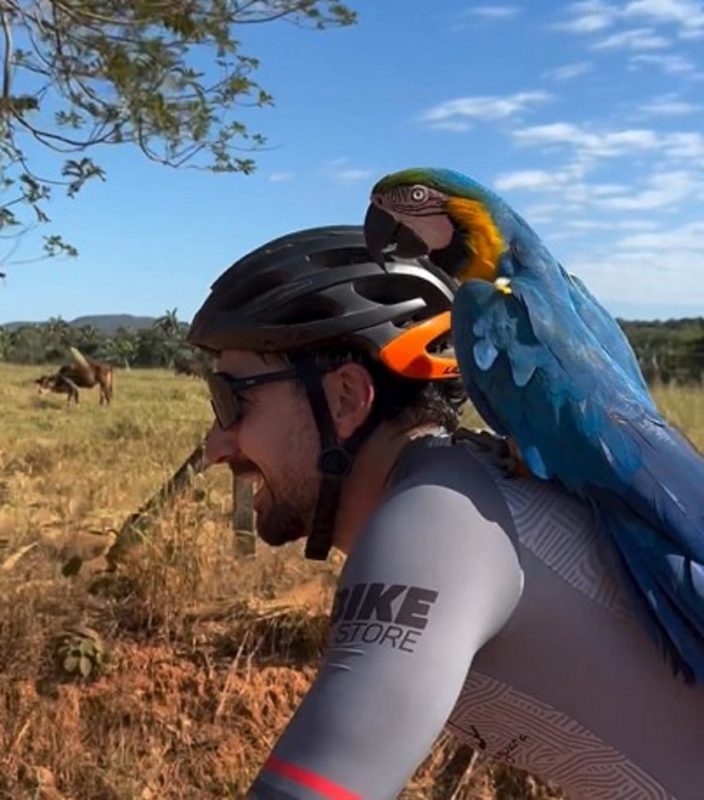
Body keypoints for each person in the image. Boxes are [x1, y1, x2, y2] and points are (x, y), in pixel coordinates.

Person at [187, 226, 704, 800]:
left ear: (345, 397)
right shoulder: (467, 482)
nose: (215, 445)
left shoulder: (434, 522)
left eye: (231, 401)